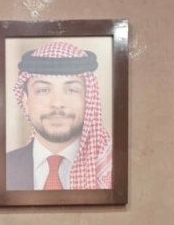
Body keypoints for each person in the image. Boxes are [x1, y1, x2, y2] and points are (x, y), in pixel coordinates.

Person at [6, 41, 112, 191]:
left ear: (88, 99)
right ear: (25, 102)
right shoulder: (2, 168)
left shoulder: (114, 167)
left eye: (71, 90)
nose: (57, 103)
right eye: (43, 90)